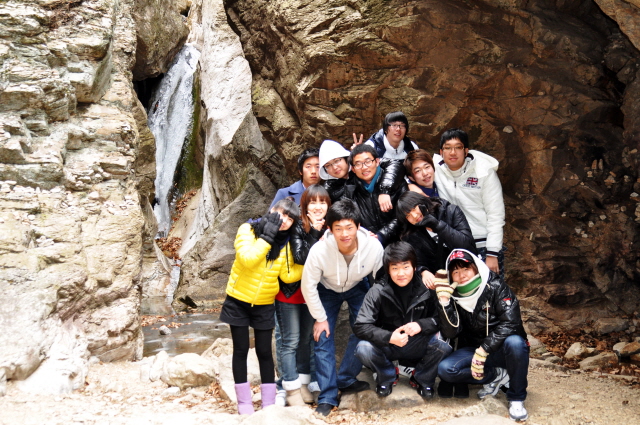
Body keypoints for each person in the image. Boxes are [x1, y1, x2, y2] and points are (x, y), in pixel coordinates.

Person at [219, 199, 304, 415]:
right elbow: (247, 259)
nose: (284, 220)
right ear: (271, 210)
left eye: (290, 218)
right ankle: (244, 403)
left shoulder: (285, 243)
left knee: (265, 352)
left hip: (265, 302)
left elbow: (287, 275)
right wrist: (267, 237)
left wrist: (310, 261)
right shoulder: (248, 229)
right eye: (281, 213)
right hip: (238, 299)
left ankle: (268, 403)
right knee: (240, 350)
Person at [300, 200, 384, 416]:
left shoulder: (373, 246)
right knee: (322, 337)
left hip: (357, 285)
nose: (344, 234)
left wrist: (378, 310)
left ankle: (346, 378)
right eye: (338, 228)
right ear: (329, 228)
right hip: (326, 288)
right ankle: (327, 395)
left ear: (358, 226)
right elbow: (308, 285)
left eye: (349, 227)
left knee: (364, 328)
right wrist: (320, 318)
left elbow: (381, 280)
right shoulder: (319, 250)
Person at [436, 249, 529, 421]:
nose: (461, 275)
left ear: (475, 268)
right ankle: (496, 375)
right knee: (446, 369)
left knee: (516, 343)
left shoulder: (495, 286)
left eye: (466, 268)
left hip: (501, 350)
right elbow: (451, 332)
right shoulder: (453, 295)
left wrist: (484, 349)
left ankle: (517, 398)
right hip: (474, 349)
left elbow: (511, 323)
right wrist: (444, 302)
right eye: (455, 272)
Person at [353, 242, 452, 399]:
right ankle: (387, 375)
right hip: (388, 344)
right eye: (395, 268)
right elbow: (361, 326)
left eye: (406, 267)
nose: (401, 273)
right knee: (363, 348)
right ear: (388, 269)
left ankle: (422, 378)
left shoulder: (426, 288)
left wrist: (421, 325)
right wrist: (389, 337)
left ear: (414, 267)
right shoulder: (377, 291)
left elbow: (442, 320)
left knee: (443, 345)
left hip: (417, 341)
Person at [276, 185, 332, 406]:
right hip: (291, 291)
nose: (318, 207)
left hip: (314, 293)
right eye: (312, 202)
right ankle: (290, 390)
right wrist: (315, 233)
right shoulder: (298, 224)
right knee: (290, 341)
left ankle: (303, 385)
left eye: (322, 202)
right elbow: (300, 257)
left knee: (306, 341)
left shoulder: (332, 226)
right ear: (304, 205)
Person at [433, 128, 506, 280]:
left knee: (491, 290)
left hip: (483, 246)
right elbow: (411, 170)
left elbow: (496, 214)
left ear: (466, 151)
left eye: (458, 147)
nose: (453, 152)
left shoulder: (483, 172)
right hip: (452, 246)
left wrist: (492, 253)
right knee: (458, 292)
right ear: (441, 152)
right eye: (448, 148)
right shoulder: (434, 170)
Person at [396, 191, 476, 279]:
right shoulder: (412, 233)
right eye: (408, 216)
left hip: (468, 269)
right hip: (441, 278)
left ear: (422, 202)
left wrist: (437, 225)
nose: (414, 216)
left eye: (414, 208)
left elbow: (466, 244)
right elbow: (418, 261)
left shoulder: (450, 211)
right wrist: (423, 271)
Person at [346, 144, 407, 245]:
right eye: (358, 164)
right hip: (369, 245)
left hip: (400, 243)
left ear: (377, 161)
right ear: (353, 169)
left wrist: (381, 235)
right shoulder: (351, 191)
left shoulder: (396, 182)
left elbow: (405, 213)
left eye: (368, 161)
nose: (364, 167)